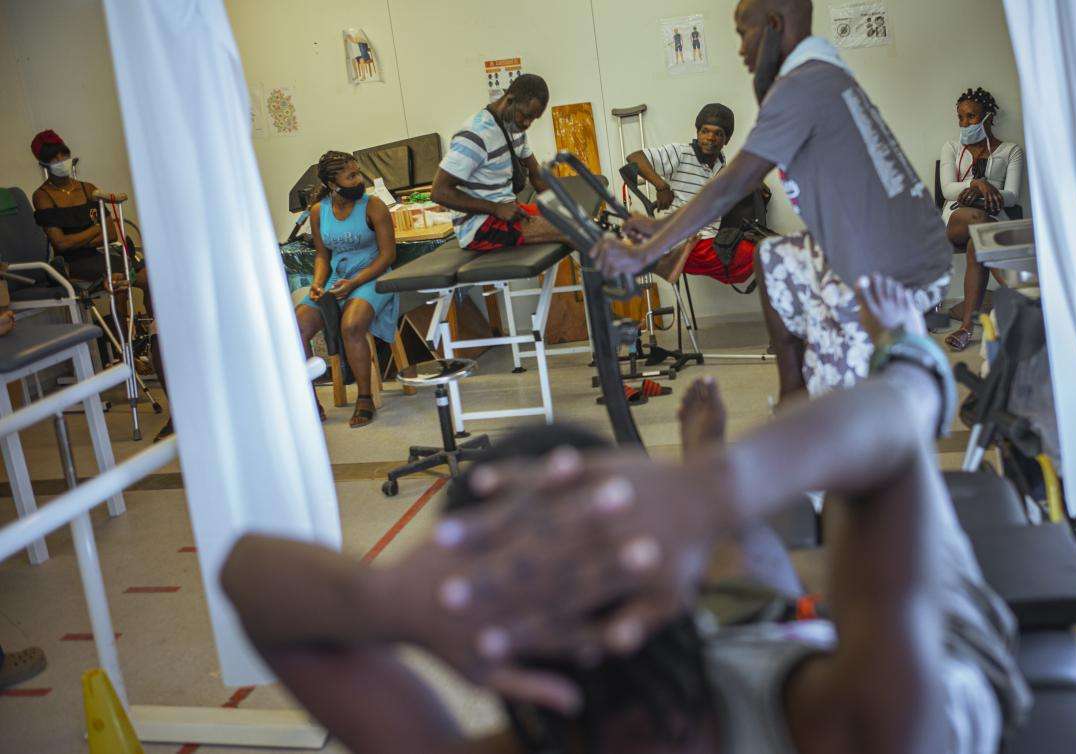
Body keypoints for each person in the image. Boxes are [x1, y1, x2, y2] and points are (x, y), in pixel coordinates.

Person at [221, 275, 1027, 754]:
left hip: (733, 644)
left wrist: (390, 602)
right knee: (764, 582)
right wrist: (713, 487)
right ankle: (894, 344)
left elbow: (246, 577)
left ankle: (705, 483)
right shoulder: (869, 719)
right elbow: (900, 428)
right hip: (891, 669)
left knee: (743, 592)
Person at [595, 0, 952, 405]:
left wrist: (648, 248)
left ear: (774, 25)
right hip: (897, 244)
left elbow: (735, 181)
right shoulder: (822, 75)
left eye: (743, 33)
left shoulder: (802, 84)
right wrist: (662, 229)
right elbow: (730, 184)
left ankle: (832, 421)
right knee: (774, 258)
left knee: (836, 391)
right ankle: (792, 395)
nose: (742, 50)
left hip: (894, 263)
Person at [29, 129, 174, 441]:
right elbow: (62, 244)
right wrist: (95, 231)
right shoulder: (42, 196)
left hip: (111, 251)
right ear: (43, 163)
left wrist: (93, 233)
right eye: (53, 159)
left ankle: (146, 338)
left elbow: (112, 229)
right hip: (80, 262)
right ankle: (130, 347)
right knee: (123, 281)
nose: (61, 163)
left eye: (63, 156)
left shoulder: (89, 189)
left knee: (152, 278)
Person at [294, 150, 398, 428]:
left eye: (358, 173)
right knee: (296, 326)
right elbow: (321, 256)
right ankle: (309, 402)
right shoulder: (318, 211)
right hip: (335, 281)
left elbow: (388, 255)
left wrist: (354, 283)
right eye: (351, 176)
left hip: (372, 277)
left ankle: (364, 398)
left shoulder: (374, 206)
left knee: (351, 326)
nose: (359, 180)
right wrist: (317, 283)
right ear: (332, 183)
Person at [624, 104, 760, 286]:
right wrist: (661, 186)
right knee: (757, 254)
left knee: (758, 248)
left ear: (726, 139)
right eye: (705, 131)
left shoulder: (722, 165)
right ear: (697, 133)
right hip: (687, 241)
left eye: (718, 134)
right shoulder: (681, 153)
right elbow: (635, 157)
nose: (710, 138)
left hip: (708, 239)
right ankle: (667, 259)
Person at [431, 74, 565, 252]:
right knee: (570, 229)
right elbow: (439, 191)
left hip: (508, 212)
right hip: (480, 227)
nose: (527, 123)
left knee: (580, 222)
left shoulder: (516, 129)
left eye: (533, 119)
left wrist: (563, 208)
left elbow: (536, 176)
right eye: (525, 116)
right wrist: (495, 208)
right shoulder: (475, 134)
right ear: (509, 100)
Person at [938, 88, 1024, 352]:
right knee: (976, 219)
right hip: (957, 215)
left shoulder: (1011, 151)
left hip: (993, 217)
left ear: (988, 118)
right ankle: (1020, 291)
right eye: (960, 117)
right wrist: (979, 184)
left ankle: (965, 329)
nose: (965, 124)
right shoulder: (952, 147)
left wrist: (988, 191)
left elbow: (1011, 195)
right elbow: (947, 189)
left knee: (979, 241)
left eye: (972, 117)